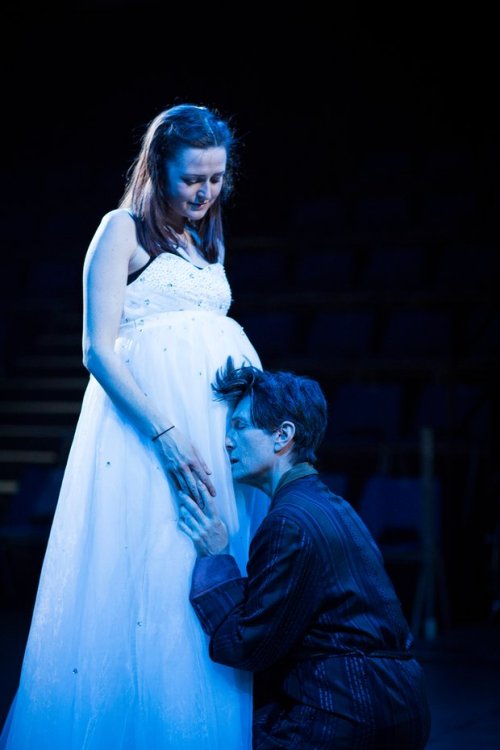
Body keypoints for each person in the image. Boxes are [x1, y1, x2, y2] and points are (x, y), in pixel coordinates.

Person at [0, 104, 268, 750]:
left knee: (210, 577)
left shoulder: (209, 236)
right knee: (152, 584)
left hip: (214, 436)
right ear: (158, 169)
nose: (205, 192)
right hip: (148, 437)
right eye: (191, 180)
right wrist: (166, 435)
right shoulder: (120, 231)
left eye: (215, 179)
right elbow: (97, 350)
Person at [179, 359, 432, 750]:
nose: (227, 440)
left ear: (282, 436)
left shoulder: (289, 521)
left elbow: (248, 645)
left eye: (240, 426)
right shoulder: (330, 504)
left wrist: (218, 558)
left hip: (348, 709)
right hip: (397, 702)